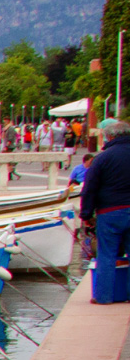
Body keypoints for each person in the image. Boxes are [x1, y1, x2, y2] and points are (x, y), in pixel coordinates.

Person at [81, 119, 130, 306]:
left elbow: (90, 189)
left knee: (107, 255)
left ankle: (103, 297)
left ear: (109, 136)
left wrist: (86, 215)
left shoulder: (102, 158)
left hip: (110, 212)